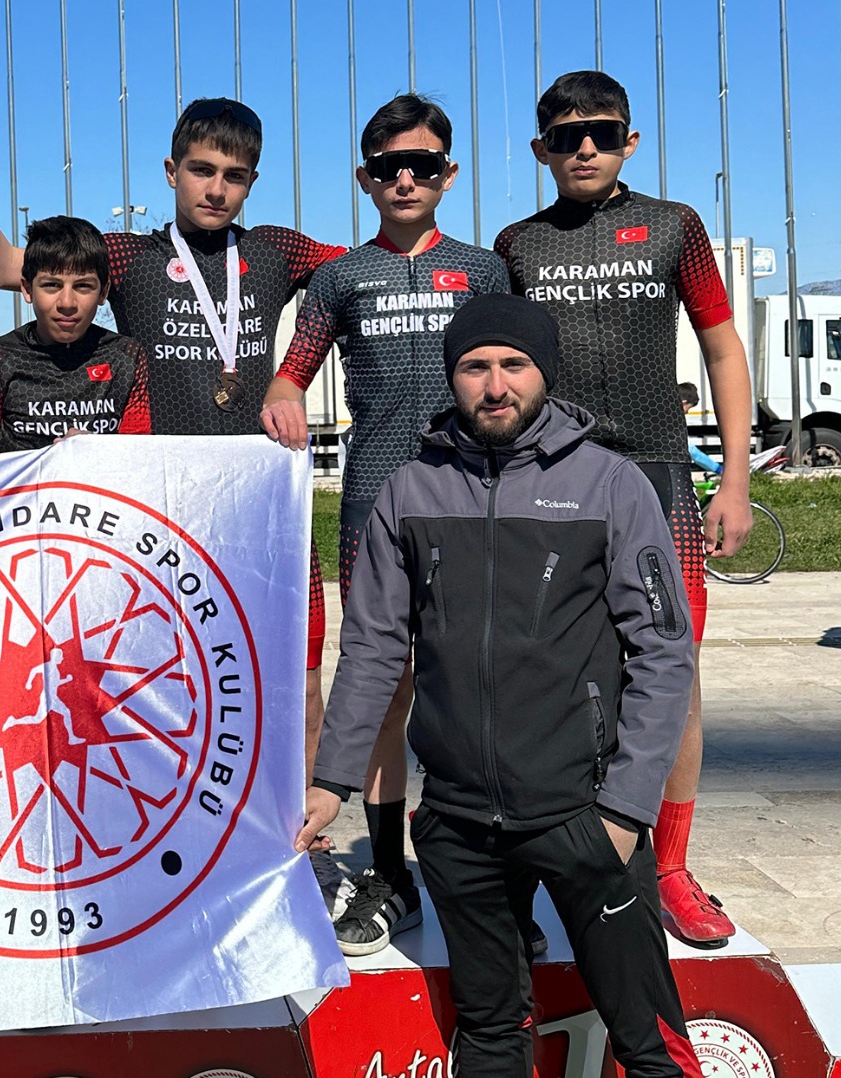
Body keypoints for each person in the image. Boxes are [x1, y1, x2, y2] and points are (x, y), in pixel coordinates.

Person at [0, 90, 345, 801]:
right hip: (164, 512)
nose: (216, 188)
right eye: (201, 170)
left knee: (301, 679)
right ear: (171, 171)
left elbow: (358, 278)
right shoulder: (128, 256)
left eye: (234, 176)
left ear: (253, 182)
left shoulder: (276, 250)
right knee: (168, 690)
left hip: (260, 503)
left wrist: (292, 377)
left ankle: (299, 843)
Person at [299, 294, 703, 1078]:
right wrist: (331, 779)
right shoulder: (409, 491)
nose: (494, 385)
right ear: (451, 377)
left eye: (513, 365)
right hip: (458, 826)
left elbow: (663, 654)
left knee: (648, 1044)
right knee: (490, 1034)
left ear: (543, 372)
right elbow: (374, 647)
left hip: (584, 815)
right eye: (474, 366)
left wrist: (625, 812)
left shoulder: (610, 485)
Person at [493, 70, 753, 947]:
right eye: (566, 137)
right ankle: (539, 861)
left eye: (602, 133)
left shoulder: (676, 226)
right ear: (541, 149)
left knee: (673, 675)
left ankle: (669, 868)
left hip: (659, 477)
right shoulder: (518, 243)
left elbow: (722, 349)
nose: (585, 149)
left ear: (630, 141)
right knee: (544, 675)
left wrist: (736, 480)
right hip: (552, 477)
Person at [263, 93, 510, 955]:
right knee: (384, 690)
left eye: (423, 165)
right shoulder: (341, 278)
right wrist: (282, 396)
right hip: (373, 501)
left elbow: (520, 379)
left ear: (450, 173)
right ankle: (391, 875)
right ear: (366, 179)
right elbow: (291, 372)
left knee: (483, 682)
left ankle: (493, 868)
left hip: (473, 499)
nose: (406, 179)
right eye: (389, 167)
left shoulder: (483, 272)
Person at [0, 215, 151, 454]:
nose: (67, 303)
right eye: (51, 285)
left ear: (104, 292)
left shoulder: (127, 356)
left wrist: (95, 450)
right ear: (27, 289)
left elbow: (138, 456)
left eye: (83, 286)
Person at [677, 383, 722, 474]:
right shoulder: (673, 422)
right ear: (683, 403)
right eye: (688, 408)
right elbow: (691, 450)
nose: (687, 412)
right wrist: (717, 468)